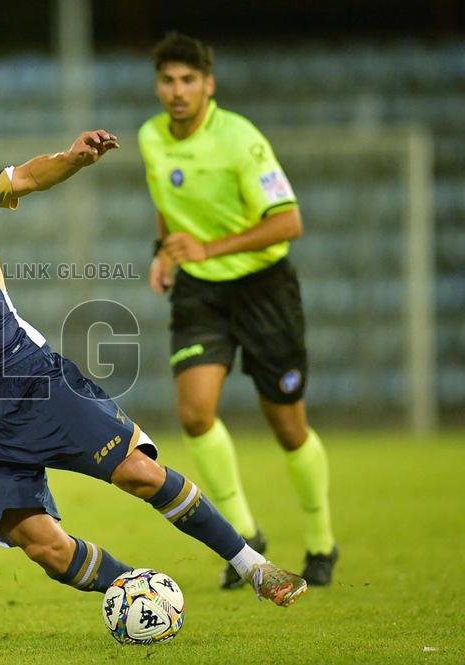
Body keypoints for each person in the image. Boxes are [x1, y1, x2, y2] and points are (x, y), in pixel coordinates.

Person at [0, 97, 308, 611]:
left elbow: (25, 178)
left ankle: (253, 567)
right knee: (42, 546)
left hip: (28, 377)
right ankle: (140, 593)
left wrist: (73, 159)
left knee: (139, 473)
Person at [138, 32, 338, 588]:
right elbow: (165, 201)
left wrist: (206, 247)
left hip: (265, 290)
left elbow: (288, 222)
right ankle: (245, 539)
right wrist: (166, 253)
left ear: (209, 85)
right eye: (168, 81)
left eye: (188, 81)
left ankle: (321, 540)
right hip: (201, 293)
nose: (177, 92)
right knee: (196, 412)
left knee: (287, 425)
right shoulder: (151, 137)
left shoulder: (240, 140)